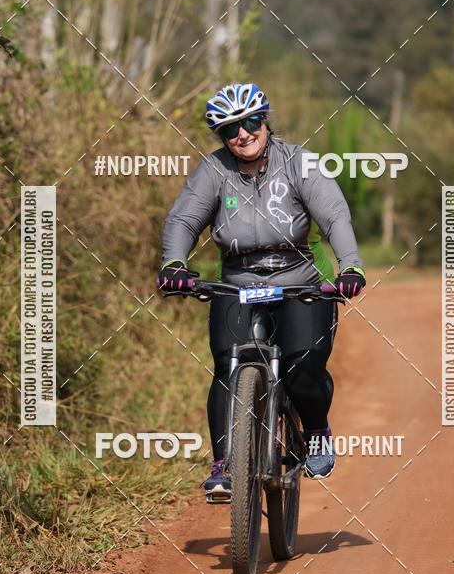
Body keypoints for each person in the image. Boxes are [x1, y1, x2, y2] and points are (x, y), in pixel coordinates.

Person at [156, 83, 365, 499]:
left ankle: (317, 428)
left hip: (298, 282)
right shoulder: (213, 171)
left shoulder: (299, 163)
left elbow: (335, 216)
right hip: (237, 283)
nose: (243, 134)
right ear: (221, 136)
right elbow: (182, 220)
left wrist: (351, 265)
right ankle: (222, 465)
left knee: (302, 369)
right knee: (227, 368)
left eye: (251, 122)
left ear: (265, 121)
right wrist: (174, 263)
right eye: (230, 128)